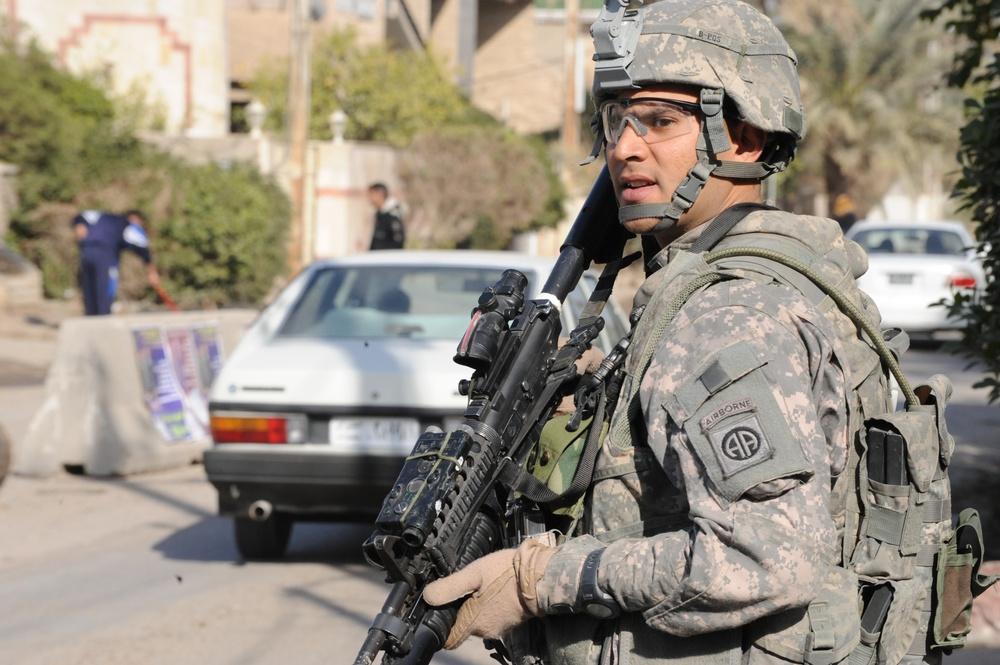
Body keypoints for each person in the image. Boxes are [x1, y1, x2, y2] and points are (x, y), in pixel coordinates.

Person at [423, 1, 906, 664]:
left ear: (747, 136)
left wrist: (538, 581)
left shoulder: (724, 314)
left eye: (659, 120)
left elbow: (764, 556)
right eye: (615, 120)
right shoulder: (777, 272)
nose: (623, 146)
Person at [73, 209, 163, 316]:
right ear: (135, 218)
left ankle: (90, 318)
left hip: (86, 252)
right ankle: (103, 320)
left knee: (89, 289)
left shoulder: (102, 216)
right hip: (105, 256)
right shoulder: (127, 224)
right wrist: (151, 272)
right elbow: (143, 246)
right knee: (105, 290)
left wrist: (79, 227)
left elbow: (82, 216)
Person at [366, 182, 405, 250]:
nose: (369, 198)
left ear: (379, 195)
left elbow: (398, 243)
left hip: (386, 259)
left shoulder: (393, 215)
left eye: (371, 194)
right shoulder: (380, 214)